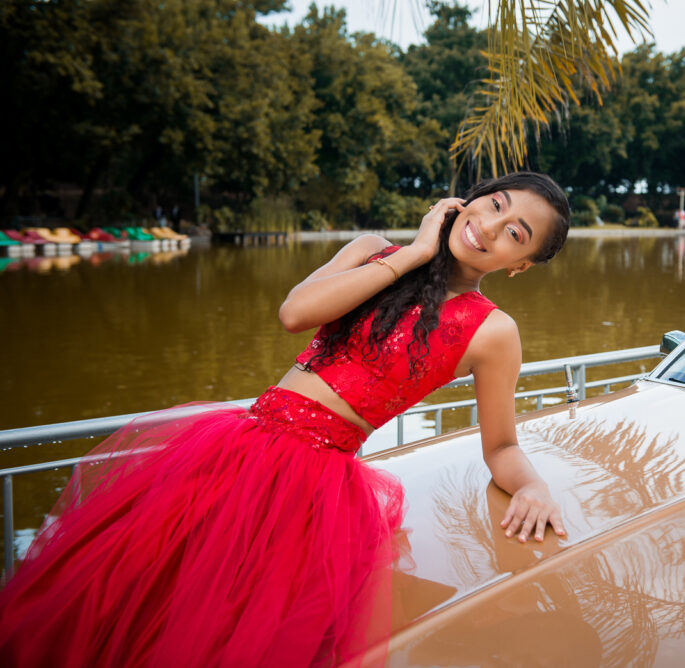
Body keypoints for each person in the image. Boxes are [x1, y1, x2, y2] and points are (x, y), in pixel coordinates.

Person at [0, 172, 572, 667]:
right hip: (233, 450)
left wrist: (534, 485)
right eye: (496, 205)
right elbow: (295, 313)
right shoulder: (374, 249)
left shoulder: (492, 332)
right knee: (129, 599)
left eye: (516, 234)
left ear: (519, 265)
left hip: (310, 488)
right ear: (471, 198)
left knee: (230, 634)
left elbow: (500, 446)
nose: (493, 227)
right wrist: (418, 251)